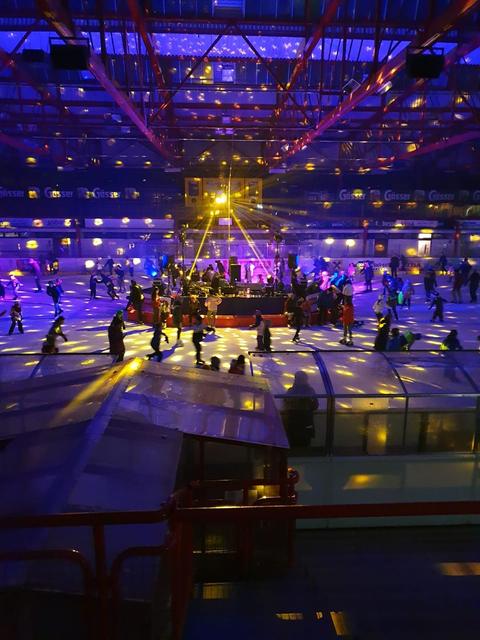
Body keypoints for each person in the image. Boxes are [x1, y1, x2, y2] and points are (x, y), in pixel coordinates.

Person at [282, 371, 319, 447]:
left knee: (298, 446)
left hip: (295, 424)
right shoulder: (309, 391)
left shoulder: (291, 391)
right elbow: (315, 406)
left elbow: (286, 404)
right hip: (302, 423)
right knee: (302, 447)